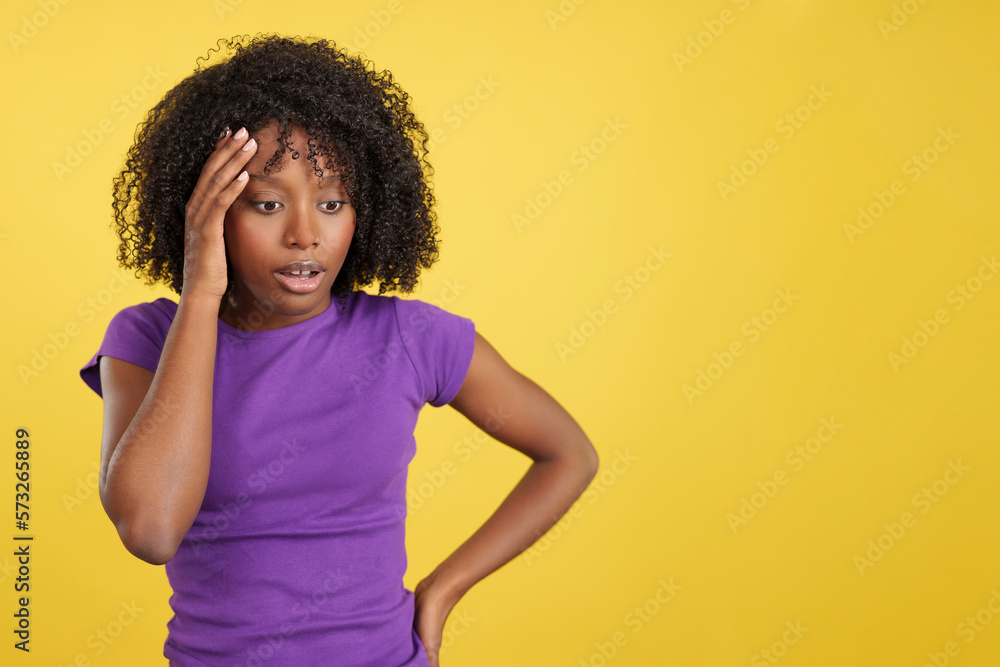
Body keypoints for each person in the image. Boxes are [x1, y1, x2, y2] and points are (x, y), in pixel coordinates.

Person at [79, 34, 598, 666]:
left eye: (332, 203)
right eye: (267, 205)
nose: (305, 235)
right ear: (207, 212)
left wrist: (442, 590)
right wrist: (200, 293)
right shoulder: (148, 340)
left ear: (368, 209)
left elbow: (568, 455)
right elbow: (151, 530)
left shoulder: (410, 339)